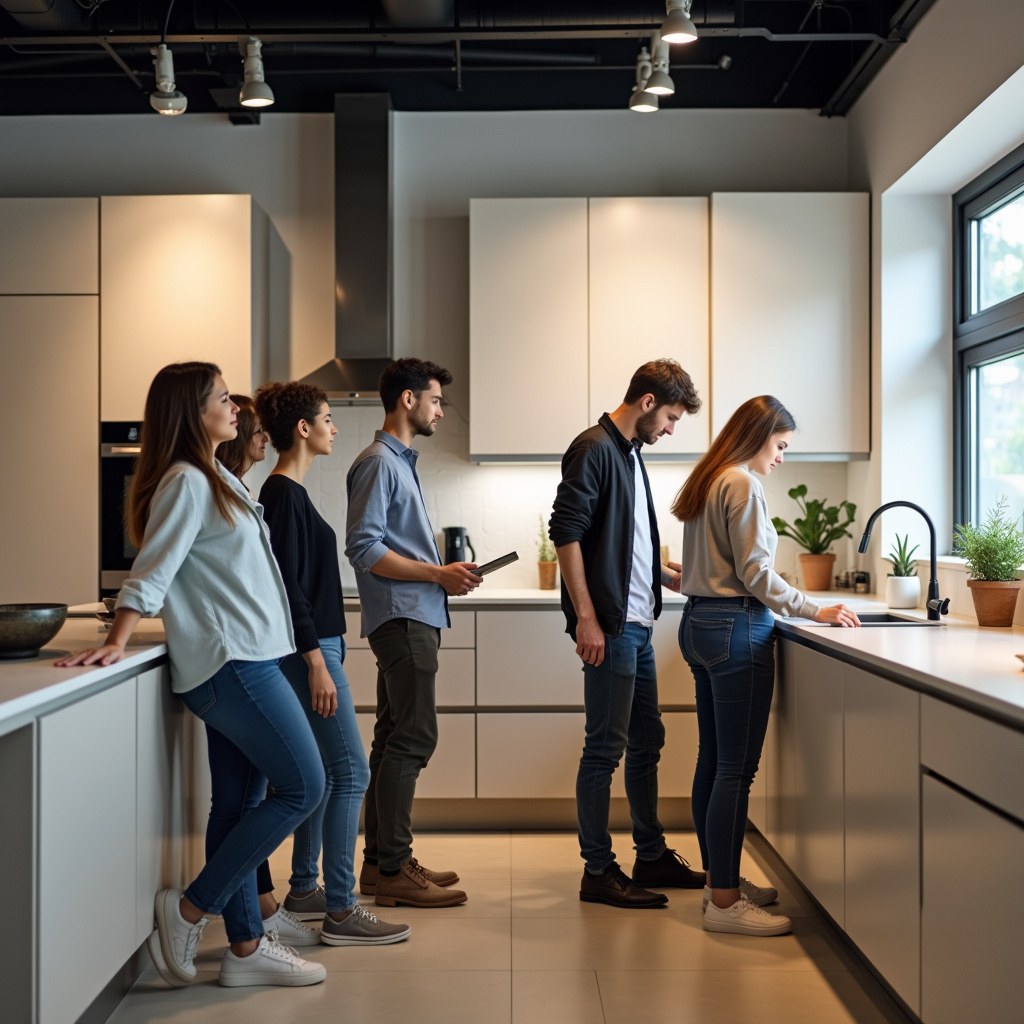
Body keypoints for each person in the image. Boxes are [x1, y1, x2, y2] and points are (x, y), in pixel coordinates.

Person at [57, 362, 327, 989]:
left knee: (237, 804)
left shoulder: (215, 477)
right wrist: (116, 639)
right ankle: (189, 909)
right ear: (192, 412)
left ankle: (245, 948)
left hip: (249, 658)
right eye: (222, 398)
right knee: (304, 786)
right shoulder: (186, 481)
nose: (235, 406)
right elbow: (152, 568)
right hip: (235, 664)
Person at [672, 394, 861, 937]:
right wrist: (813, 608)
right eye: (780, 445)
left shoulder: (709, 478)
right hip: (736, 628)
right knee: (735, 769)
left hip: (699, 624)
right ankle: (725, 904)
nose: (781, 457)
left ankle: (719, 883)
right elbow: (756, 574)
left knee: (714, 761)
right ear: (757, 436)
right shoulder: (743, 483)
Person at [255, 380, 410, 946]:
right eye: (326, 419)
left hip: (318, 646)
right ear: (303, 428)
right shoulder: (282, 495)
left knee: (326, 774)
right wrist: (316, 661)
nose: (334, 427)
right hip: (311, 650)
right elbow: (288, 590)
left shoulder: (291, 493)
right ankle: (343, 910)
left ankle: (304, 889)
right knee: (351, 773)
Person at [548, 358, 704, 909]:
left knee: (647, 740)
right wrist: (586, 618)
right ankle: (597, 870)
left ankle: (651, 853)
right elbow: (566, 532)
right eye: (671, 417)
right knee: (604, 750)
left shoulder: (630, 454)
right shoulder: (592, 448)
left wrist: (665, 576)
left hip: (637, 624)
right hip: (610, 628)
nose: (671, 429)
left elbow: (622, 542)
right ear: (647, 402)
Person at [345, 358, 477, 909]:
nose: (441, 411)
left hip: (411, 615)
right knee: (415, 737)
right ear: (408, 399)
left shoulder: (398, 462)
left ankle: (381, 865)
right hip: (404, 618)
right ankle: (395, 867)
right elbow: (364, 547)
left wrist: (441, 575)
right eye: (436, 400)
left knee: (392, 737)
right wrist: (437, 574)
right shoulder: (380, 462)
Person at [215, 393, 268, 480]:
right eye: (259, 431)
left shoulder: (230, 481)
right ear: (240, 434)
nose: (266, 439)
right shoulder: (221, 482)